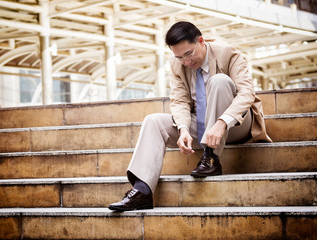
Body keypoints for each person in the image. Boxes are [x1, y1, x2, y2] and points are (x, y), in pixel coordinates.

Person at [108, 21, 272, 212]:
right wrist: (183, 129)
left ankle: (211, 158)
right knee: (153, 121)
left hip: (236, 125)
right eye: (180, 57)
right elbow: (179, 101)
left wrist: (221, 123)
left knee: (219, 81)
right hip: (201, 126)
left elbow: (246, 94)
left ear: (201, 41)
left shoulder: (227, 53)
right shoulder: (177, 64)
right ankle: (142, 191)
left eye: (189, 54)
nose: (186, 62)